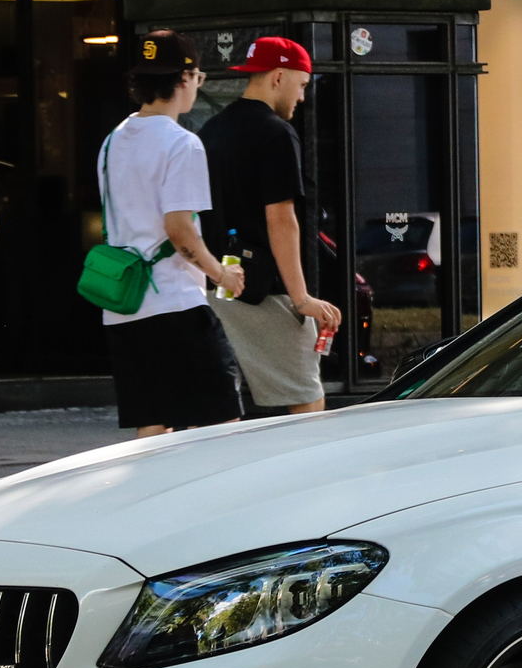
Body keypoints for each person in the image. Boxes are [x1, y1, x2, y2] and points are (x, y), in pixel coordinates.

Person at [99, 30, 246, 437]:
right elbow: (180, 230)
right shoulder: (182, 144)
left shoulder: (113, 142)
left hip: (123, 306)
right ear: (185, 79)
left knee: (153, 425)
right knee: (221, 422)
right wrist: (222, 275)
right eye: (198, 77)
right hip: (175, 304)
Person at [200, 35, 342, 414]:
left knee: (223, 407)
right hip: (266, 290)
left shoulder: (211, 131)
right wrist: (301, 298)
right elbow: (281, 219)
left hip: (220, 282)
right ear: (278, 76)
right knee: (305, 399)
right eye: (302, 84)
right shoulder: (276, 133)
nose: (302, 97)